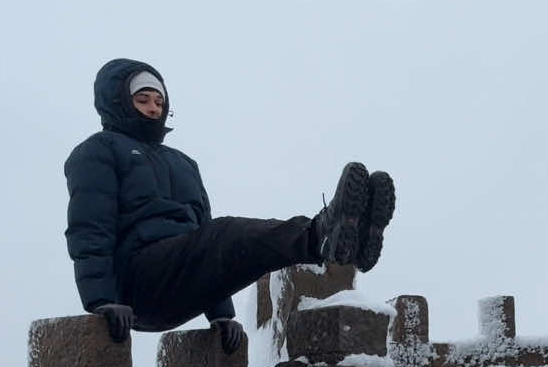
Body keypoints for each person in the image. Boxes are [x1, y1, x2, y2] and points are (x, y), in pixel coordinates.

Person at [64, 58, 395, 348]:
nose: (153, 108)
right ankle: (320, 234)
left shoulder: (184, 164)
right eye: (142, 99)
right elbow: (90, 230)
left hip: (180, 282)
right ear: (119, 103)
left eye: (158, 100)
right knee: (226, 233)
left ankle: (346, 235)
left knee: (235, 244)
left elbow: (206, 247)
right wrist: (102, 300)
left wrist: (221, 316)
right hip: (135, 285)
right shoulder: (98, 151)